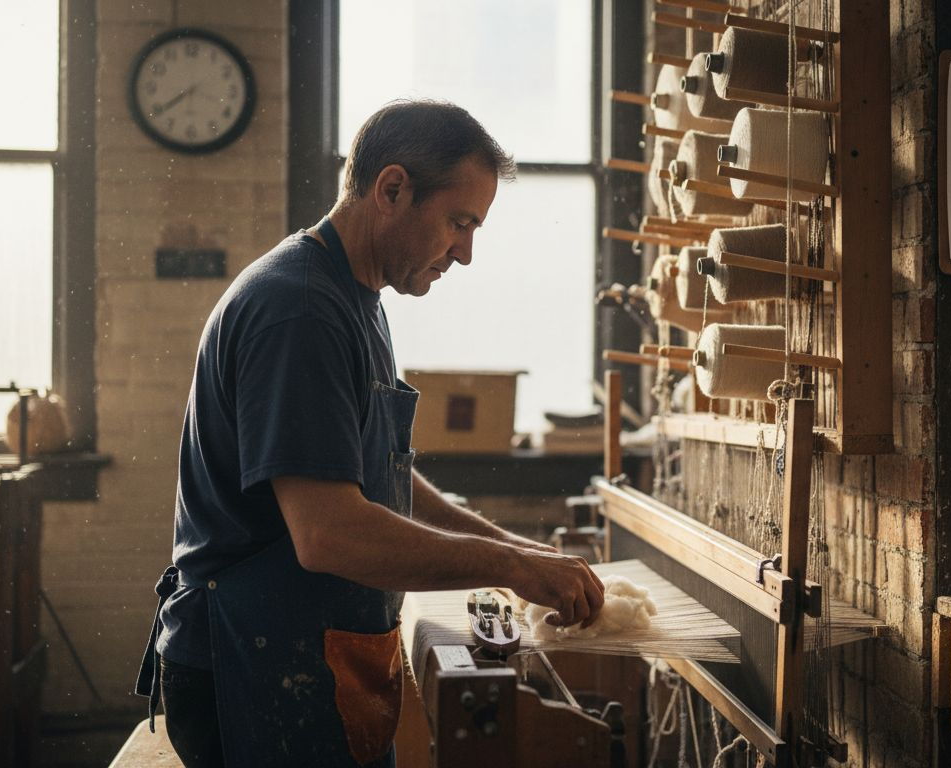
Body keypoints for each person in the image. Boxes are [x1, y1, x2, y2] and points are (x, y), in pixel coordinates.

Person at [134, 100, 605, 768]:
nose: (466, 253)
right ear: (391, 189)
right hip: (253, 669)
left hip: (305, 651)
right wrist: (507, 566)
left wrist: (511, 548)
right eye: (459, 222)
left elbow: (376, 472)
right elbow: (331, 532)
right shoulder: (298, 311)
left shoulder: (355, 298)